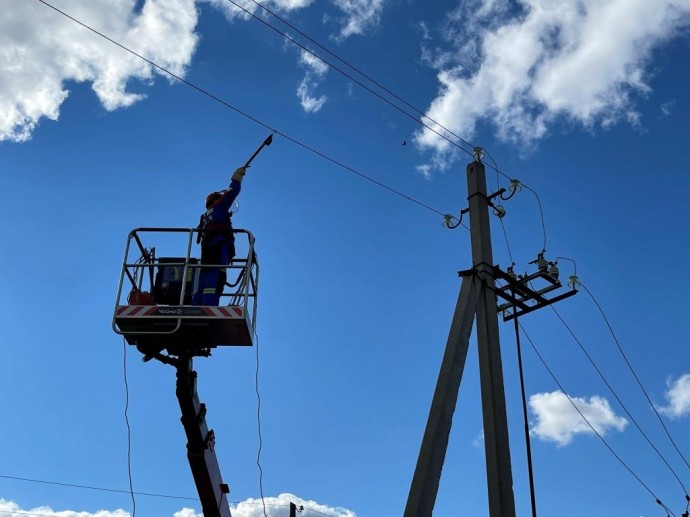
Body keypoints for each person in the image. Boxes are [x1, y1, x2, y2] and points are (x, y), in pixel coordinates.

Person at [192, 166, 247, 306]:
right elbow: (232, 192)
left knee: (203, 278)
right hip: (219, 246)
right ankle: (209, 306)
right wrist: (236, 179)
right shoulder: (219, 208)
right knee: (216, 276)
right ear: (216, 200)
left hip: (207, 251)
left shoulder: (204, 217)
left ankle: (196, 306)